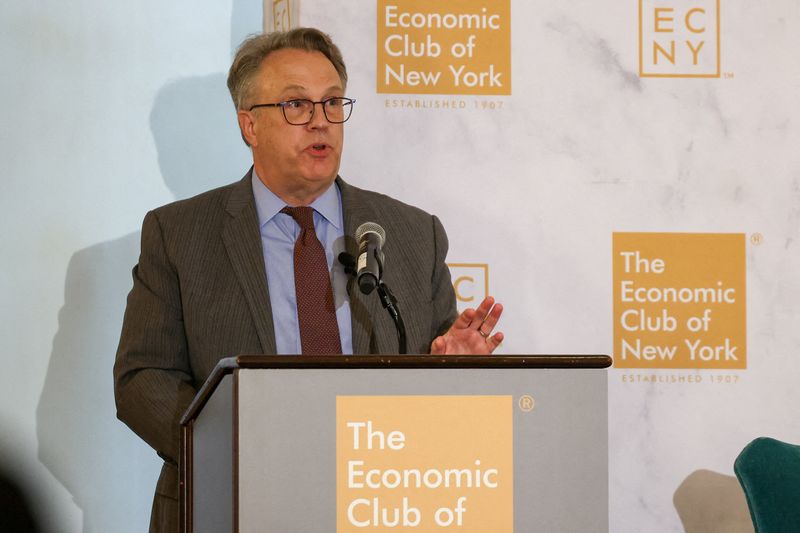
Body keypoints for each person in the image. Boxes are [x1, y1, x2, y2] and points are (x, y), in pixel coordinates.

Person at [114, 27, 504, 533]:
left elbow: (429, 385)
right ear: (249, 126)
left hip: (382, 504)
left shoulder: (411, 233)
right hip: (231, 503)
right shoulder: (179, 233)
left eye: (332, 103)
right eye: (296, 106)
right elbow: (143, 377)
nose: (321, 122)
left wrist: (452, 369)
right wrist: (230, 451)